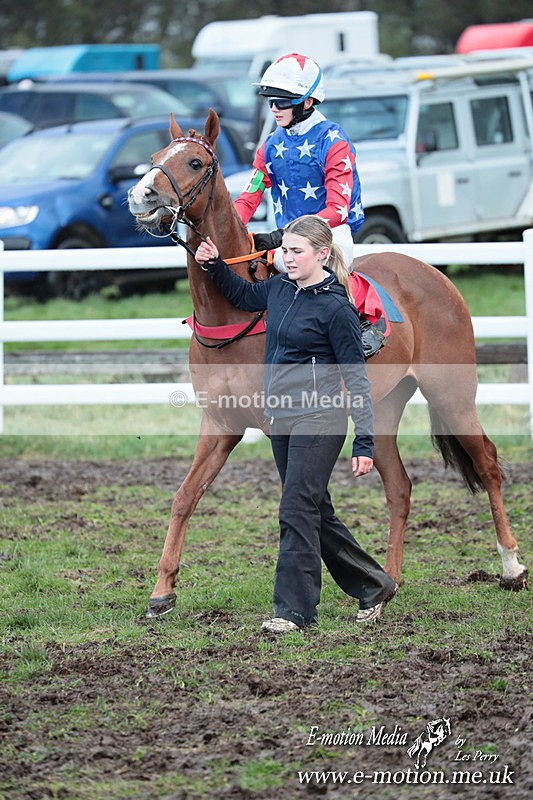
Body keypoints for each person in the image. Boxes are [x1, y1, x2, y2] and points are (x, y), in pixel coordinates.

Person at [195, 215, 397, 634]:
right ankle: (374, 584)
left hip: (320, 418)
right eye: (284, 250)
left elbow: (356, 378)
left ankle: (294, 612)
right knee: (314, 510)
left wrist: (364, 443)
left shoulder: (336, 307)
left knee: (294, 509)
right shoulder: (280, 289)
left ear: (322, 254)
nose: (286, 259)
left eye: (296, 252)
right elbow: (245, 295)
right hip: (282, 418)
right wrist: (214, 265)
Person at [234, 52, 386, 359]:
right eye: (271, 100)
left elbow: (338, 209)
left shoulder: (333, 141)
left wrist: (282, 237)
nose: (274, 108)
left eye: (283, 101)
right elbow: (250, 193)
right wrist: (230, 227)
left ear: (307, 102)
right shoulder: (271, 145)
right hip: (286, 238)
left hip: (330, 235)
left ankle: (360, 328)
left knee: (323, 271)